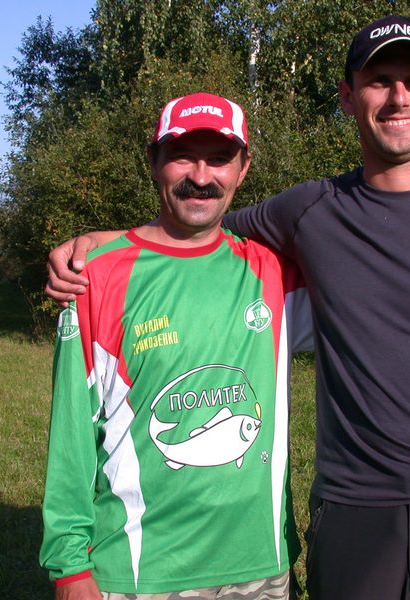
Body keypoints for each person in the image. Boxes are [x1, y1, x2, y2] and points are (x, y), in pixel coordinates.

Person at [45, 15, 410, 600]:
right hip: (352, 511)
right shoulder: (310, 212)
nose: (399, 97)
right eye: (379, 80)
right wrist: (102, 243)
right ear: (348, 96)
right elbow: (198, 225)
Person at [39, 92, 313, 600]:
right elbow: (71, 436)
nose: (201, 176)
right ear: (153, 161)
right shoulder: (97, 277)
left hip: (262, 567)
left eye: (220, 158)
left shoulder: (274, 272)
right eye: (183, 156)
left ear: (243, 168)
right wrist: (69, 567)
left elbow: (384, 282)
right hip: (143, 574)